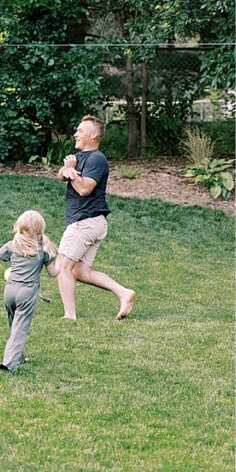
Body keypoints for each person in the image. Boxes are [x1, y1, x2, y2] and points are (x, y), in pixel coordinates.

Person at [55, 115, 136, 320]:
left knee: (62, 267)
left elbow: (84, 189)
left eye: (81, 130)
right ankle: (124, 293)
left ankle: (69, 315)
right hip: (92, 222)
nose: (76, 133)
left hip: (85, 221)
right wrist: (68, 170)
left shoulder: (96, 159)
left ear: (93, 135)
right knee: (80, 271)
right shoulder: (79, 157)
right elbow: (60, 174)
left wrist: (71, 171)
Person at [0, 210, 60, 372]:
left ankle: (19, 356)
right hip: (26, 293)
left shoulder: (12, 245)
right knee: (20, 328)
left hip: (9, 291)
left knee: (14, 323)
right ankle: (9, 362)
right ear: (40, 229)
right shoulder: (42, 250)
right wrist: (62, 265)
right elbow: (53, 273)